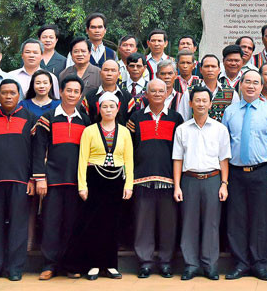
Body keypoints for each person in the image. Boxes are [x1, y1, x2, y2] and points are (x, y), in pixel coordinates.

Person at [63, 92, 133, 280]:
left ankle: (110, 265)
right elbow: (82, 159)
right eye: (104, 106)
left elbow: (129, 160)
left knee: (112, 223)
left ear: (118, 109)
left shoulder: (125, 132)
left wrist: (129, 184)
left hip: (116, 179)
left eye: (112, 106)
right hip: (95, 178)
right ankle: (93, 265)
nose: (108, 110)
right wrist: (82, 185)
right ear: (99, 108)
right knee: (93, 223)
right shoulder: (90, 131)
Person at [221, 70, 267, 281]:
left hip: (261, 172)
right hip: (236, 173)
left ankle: (259, 264)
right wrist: (224, 179)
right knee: (236, 219)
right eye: (247, 82)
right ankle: (240, 263)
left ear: (261, 86)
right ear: (241, 84)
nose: (251, 86)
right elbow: (224, 147)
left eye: (256, 82)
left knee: (260, 220)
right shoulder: (229, 112)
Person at [0, 79, 37, 281]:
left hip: (21, 182)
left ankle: (14, 268)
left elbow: (37, 152)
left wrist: (33, 178)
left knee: (18, 226)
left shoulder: (30, 118)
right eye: (4, 93)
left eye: (12, 93)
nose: (8, 96)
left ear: (19, 95)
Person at [32, 75, 89, 280]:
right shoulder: (47, 118)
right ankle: (49, 265)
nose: (72, 94)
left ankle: (69, 264)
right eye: (69, 90)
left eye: (76, 91)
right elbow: (38, 150)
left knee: (72, 225)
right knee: (51, 223)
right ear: (61, 92)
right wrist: (40, 178)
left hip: (76, 182)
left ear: (81, 95)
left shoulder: (85, 121)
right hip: (53, 181)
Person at [125, 78, 183, 278]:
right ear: (146, 94)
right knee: (143, 223)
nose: (158, 94)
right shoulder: (136, 118)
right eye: (154, 91)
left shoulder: (176, 118)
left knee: (169, 223)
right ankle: (145, 263)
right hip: (141, 178)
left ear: (167, 93)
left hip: (168, 179)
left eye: (161, 91)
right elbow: (128, 148)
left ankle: (166, 262)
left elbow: (180, 151)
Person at [172, 85, 231, 281]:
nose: (201, 104)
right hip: (189, 180)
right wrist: (177, 186)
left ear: (210, 103)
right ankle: (191, 264)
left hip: (213, 179)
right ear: (190, 103)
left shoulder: (220, 129)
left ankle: (209, 264)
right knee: (189, 223)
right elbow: (178, 159)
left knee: (211, 224)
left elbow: (224, 158)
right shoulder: (182, 129)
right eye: (197, 100)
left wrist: (224, 183)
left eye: (205, 100)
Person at [178, 54, 238, 122]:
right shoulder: (190, 92)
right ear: (200, 70)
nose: (210, 69)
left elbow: (235, 120)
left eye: (213, 66)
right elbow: (183, 119)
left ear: (219, 70)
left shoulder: (231, 93)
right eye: (206, 66)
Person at [81, 59, 129, 125]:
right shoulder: (89, 97)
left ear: (119, 74)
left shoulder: (127, 97)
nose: (109, 74)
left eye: (113, 70)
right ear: (100, 73)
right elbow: (84, 121)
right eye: (106, 70)